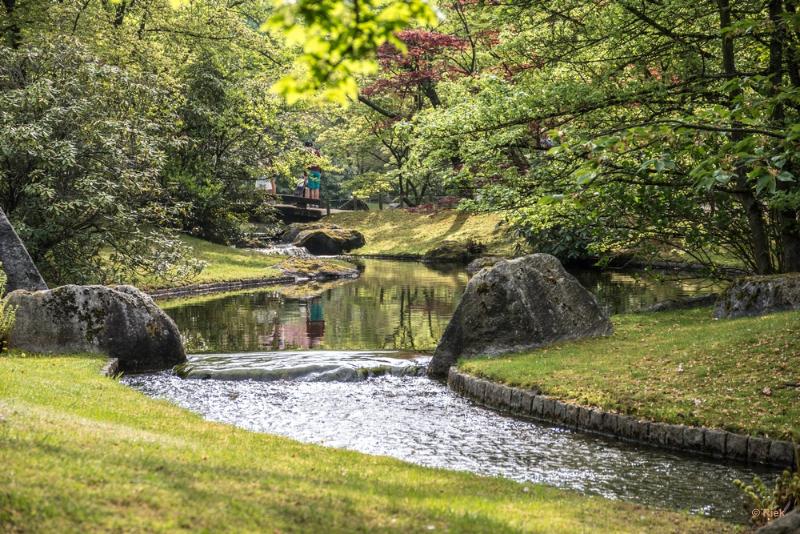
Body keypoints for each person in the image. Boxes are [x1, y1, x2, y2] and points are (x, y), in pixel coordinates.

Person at [304, 141, 322, 205]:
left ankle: (310, 203)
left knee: (311, 188)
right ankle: (316, 204)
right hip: (318, 172)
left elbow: (305, 165)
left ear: (306, 146)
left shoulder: (307, 153)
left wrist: (305, 175)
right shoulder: (317, 152)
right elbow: (321, 163)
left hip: (310, 172)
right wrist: (320, 172)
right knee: (316, 188)